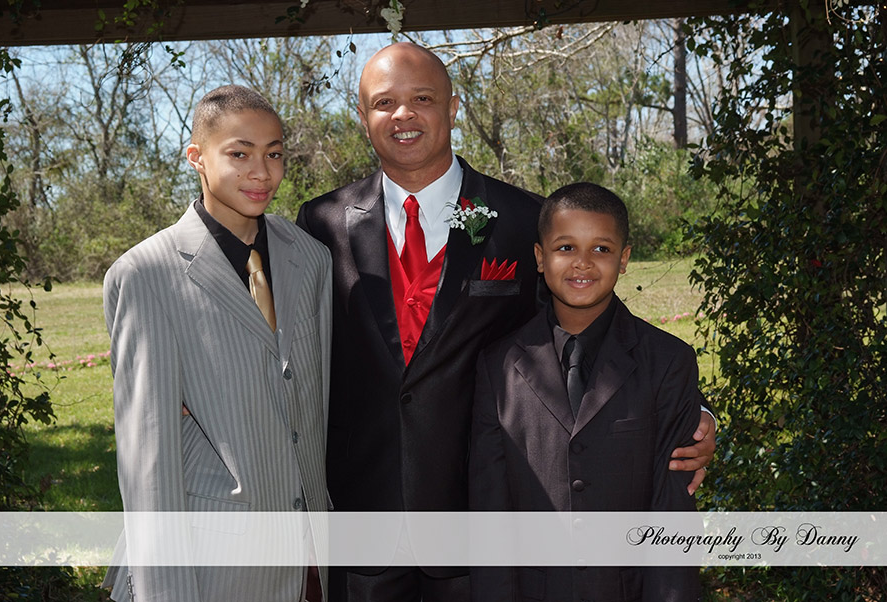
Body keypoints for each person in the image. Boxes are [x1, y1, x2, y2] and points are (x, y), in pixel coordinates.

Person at [296, 42, 714, 602]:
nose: (403, 114)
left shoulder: (521, 220)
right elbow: (297, 353)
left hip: (482, 517)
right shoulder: (320, 222)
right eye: (384, 102)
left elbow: (592, 326)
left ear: (453, 107)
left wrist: (691, 411)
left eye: (423, 98)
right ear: (362, 115)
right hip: (362, 519)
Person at [102, 85, 331, 602]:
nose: (261, 172)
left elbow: (314, 403)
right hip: (210, 567)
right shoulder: (146, 275)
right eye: (239, 154)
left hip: (311, 561)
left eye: (274, 154)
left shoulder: (311, 257)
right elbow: (147, 461)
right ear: (197, 158)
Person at [469, 182, 701, 601]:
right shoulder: (497, 365)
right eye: (565, 247)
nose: (582, 263)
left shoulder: (669, 361)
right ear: (540, 257)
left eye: (601, 249)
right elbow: (490, 513)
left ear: (624, 259)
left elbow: (672, 516)